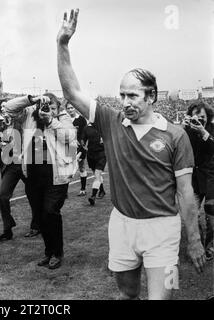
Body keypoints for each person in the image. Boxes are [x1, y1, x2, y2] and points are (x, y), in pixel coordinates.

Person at [57, 9, 206, 299]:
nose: (125, 102)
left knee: (162, 296)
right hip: (122, 225)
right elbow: (72, 92)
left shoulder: (175, 135)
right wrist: (62, 45)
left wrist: (195, 239)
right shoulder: (111, 121)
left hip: (163, 229)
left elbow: (186, 193)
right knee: (127, 294)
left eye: (133, 96)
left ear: (151, 97)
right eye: (122, 95)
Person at [4, 92, 77, 269]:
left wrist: (51, 121)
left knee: (50, 212)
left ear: (57, 109)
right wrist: (31, 100)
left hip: (56, 175)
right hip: (33, 174)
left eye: (52, 108)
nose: (47, 110)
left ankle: (57, 253)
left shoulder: (63, 118)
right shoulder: (30, 114)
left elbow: (69, 137)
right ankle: (48, 252)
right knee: (40, 216)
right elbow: (8, 108)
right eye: (44, 107)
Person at [0, 99, 40, 242]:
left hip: (25, 163)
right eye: (2, 107)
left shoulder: (21, 119)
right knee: (2, 195)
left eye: (6, 106)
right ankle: (8, 229)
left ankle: (36, 226)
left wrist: (11, 144)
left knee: (33, 195)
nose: (4, 109)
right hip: (11, 165)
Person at [182, 101, 214, 261]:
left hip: (211, 179)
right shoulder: (187, 131)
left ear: (208, 117)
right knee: (191, 214)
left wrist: (203, 132)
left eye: (202, 117)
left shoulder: (212, 130)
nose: (199, 120)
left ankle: (209, 246)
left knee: (212, 216)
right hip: (193, 180)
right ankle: (199, 243)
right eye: (196, 117)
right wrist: (182, 128)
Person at [65, 101, 88, 196]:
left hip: (79, 147)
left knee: (81, 168)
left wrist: (82, 146)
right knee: (66, 169)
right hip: (68, 147)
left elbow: (84, 134)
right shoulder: (65, 119)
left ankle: (83, 189)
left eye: (72, 107)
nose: (70, 110)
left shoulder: (81, 119)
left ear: (75, 108)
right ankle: (64, 192)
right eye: (68, 108)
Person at [81, 120, 107, 205]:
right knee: (96, 175)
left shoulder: (104, 127)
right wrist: (83, 145)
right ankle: (102, 190)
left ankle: (93, 196)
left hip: (101, 154)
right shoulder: (87, 128)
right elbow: (82, 140)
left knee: (97, 174)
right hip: (91, 155)